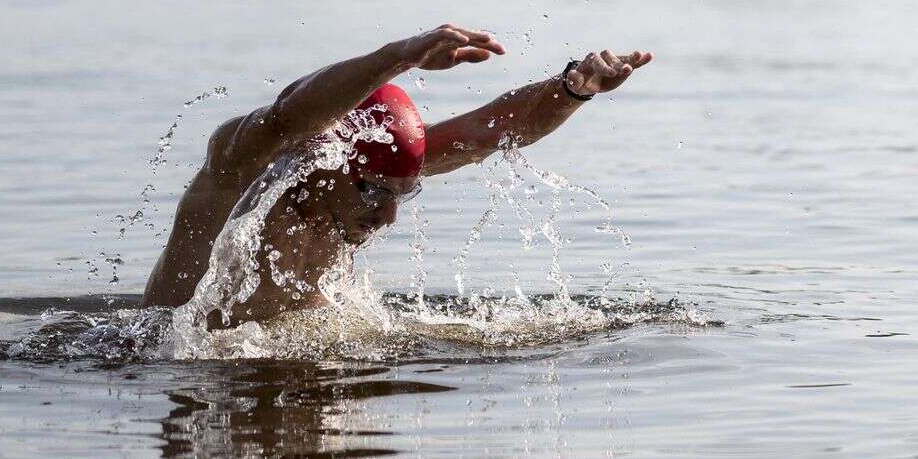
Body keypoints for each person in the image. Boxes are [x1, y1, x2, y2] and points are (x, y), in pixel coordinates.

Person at [140, 25, 652, 328]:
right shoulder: (243, 168)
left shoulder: (366, 173)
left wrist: (572, 90)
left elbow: (487, 130)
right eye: (373, 193)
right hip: (179, 373)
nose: (386, 218)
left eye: (403, 197)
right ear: (332, 161)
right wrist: (399, 57)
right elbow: (288, 115)